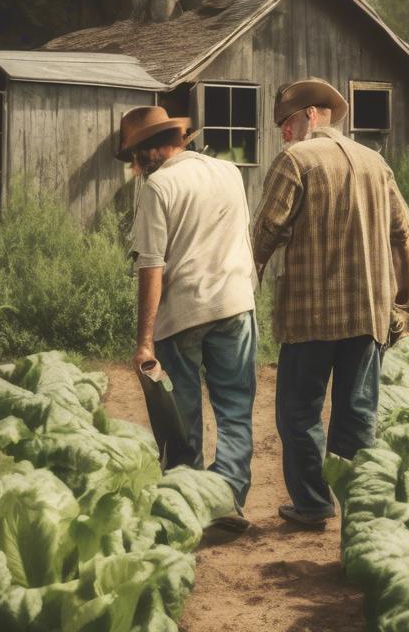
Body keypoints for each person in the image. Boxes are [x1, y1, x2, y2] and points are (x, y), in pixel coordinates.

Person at [252, 78, 409, 526]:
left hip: (310, 314)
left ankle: (312, 504)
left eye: (285, 122)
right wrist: (402, 299)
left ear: (310, 115)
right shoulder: (375, 162)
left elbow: (264, 233)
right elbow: (404, 235)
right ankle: (360, 506)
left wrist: (249, 286)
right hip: (369, 312)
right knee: (358, 410)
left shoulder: (296, 160)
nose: (282, 132)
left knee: (299, 411)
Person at [119, 105, 258, 529]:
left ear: (147, 153)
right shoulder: (229, 171)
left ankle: (185, 496)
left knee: (180, 412)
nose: (136, 169)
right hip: (236, 304)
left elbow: (152, 267)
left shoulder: (158, 187)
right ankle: (228, 498)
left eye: (136, 160)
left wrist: (144, 340)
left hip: (184, 311)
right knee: (235, 407)